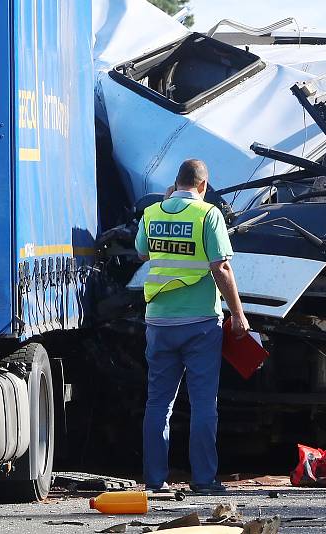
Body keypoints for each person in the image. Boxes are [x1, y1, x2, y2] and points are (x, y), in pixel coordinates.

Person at [135, 159, 249, 494]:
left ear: (176, 182)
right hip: (200, 322)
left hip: (158, 320)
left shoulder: (153, 213)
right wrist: (238, 314)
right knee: (203, 403)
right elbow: (222, 268)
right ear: (202, 185)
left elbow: (143, 253)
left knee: (158, 403)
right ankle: (203, 479)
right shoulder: (208, 214)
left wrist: (166, 202)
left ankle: (154, 480)